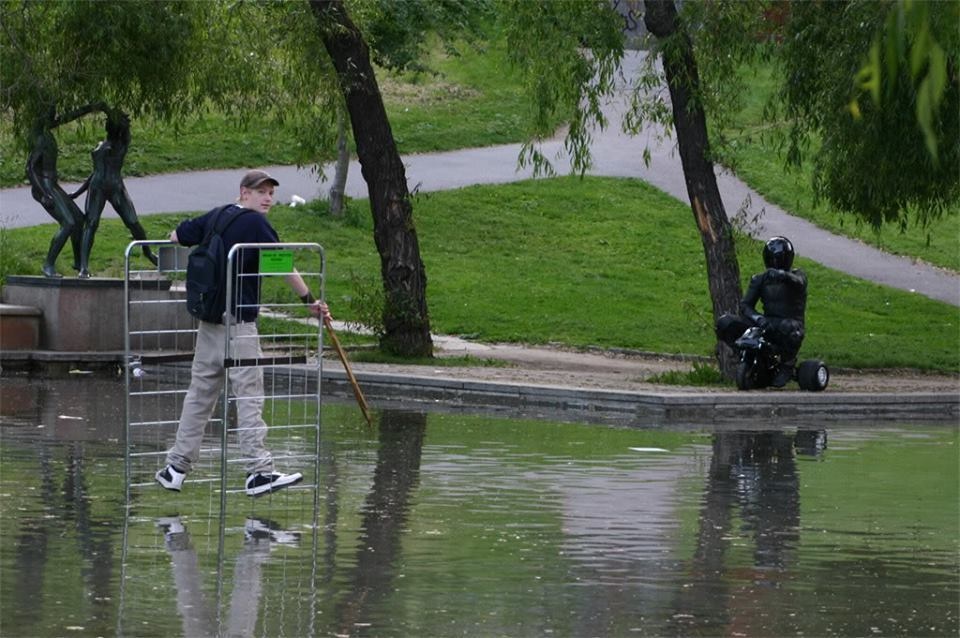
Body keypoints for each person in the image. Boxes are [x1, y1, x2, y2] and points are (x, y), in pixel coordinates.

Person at [156, 169, 330, 497]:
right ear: (244, 192)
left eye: (271, 194)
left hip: (209, 322)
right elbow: (283, 267)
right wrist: (309, 301)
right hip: (239, 326)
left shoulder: (218, 214)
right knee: (249, 395)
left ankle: (175, 468)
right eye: (260, 192)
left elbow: (177, 236)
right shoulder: (256, 224)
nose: (267, 199)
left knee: (200, 395)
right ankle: (258, 472)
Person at [69, 110, 156, 277]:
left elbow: (126, 129)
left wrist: (113, 113)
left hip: (116, 187)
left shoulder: (121, 144)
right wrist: (78, 192)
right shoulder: (101, 145)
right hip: (97, 187)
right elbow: (95, 173)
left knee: (132, 221)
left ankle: (148, 252)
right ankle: (83, 267)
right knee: (91, 223)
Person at [716, 236, 807, 387]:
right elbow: (746, 306)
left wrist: (782, 275)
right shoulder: (760, 279)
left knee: (790, 329)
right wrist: (759, 319)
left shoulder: (798, 276)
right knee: (725, 322)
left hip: (790, 324)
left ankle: (787, 364)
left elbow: (799, 282)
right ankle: (744, 354)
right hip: (766, 323)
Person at [26, 114, 84, 278]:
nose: (54, 116)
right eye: (50, 112)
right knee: (68, 223)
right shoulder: (41, 139)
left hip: (53, 184)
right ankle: (48, 264)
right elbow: (30, 169)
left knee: (79, 219)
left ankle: (79, 262)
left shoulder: (48, 133)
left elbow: (68, 116)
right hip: (45, 186)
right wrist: (44, 194)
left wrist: (96, 107)